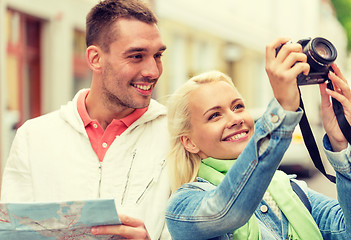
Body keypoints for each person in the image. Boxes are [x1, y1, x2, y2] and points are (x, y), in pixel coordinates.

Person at [1, 0, 171, 239]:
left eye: (157, 55)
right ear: (95, 58)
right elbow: (11, 233)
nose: (153, 71)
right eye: (136, 56)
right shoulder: (33, 137)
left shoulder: (178, 137)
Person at [165, 37, 351, 239]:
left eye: (238, 106)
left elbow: (345, 230)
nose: (235, 119)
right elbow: (227, 211)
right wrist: (283, 109)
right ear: (189, 142)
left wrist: (340, 143)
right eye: (214, 115)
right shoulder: (183, 207)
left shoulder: (292, 190)